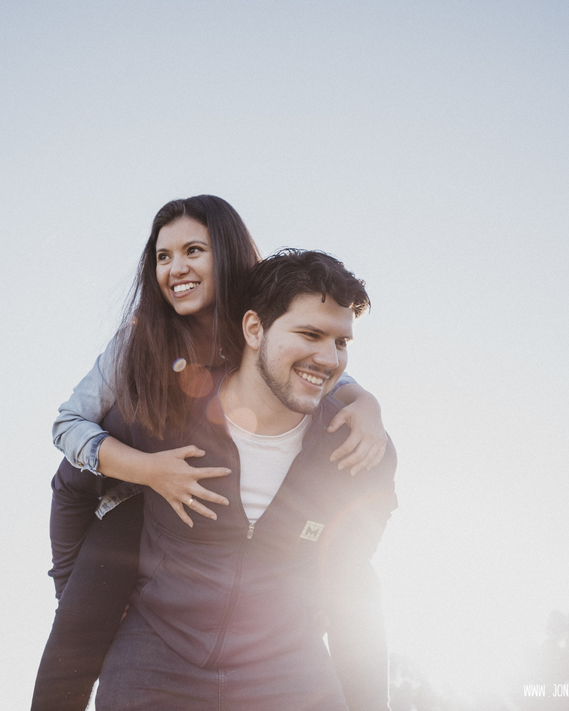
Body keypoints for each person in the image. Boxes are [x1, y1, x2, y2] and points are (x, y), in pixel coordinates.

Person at [31, 196, 390, 710]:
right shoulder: (144, 355)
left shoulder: (274, 333)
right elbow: (69, 439)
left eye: (193, 251)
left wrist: (366, 404)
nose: (176, 268)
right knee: (86, 609)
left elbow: (321, 368)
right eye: (163, 256)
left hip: (264, 624)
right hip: (138, 532)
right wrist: (148, 472)